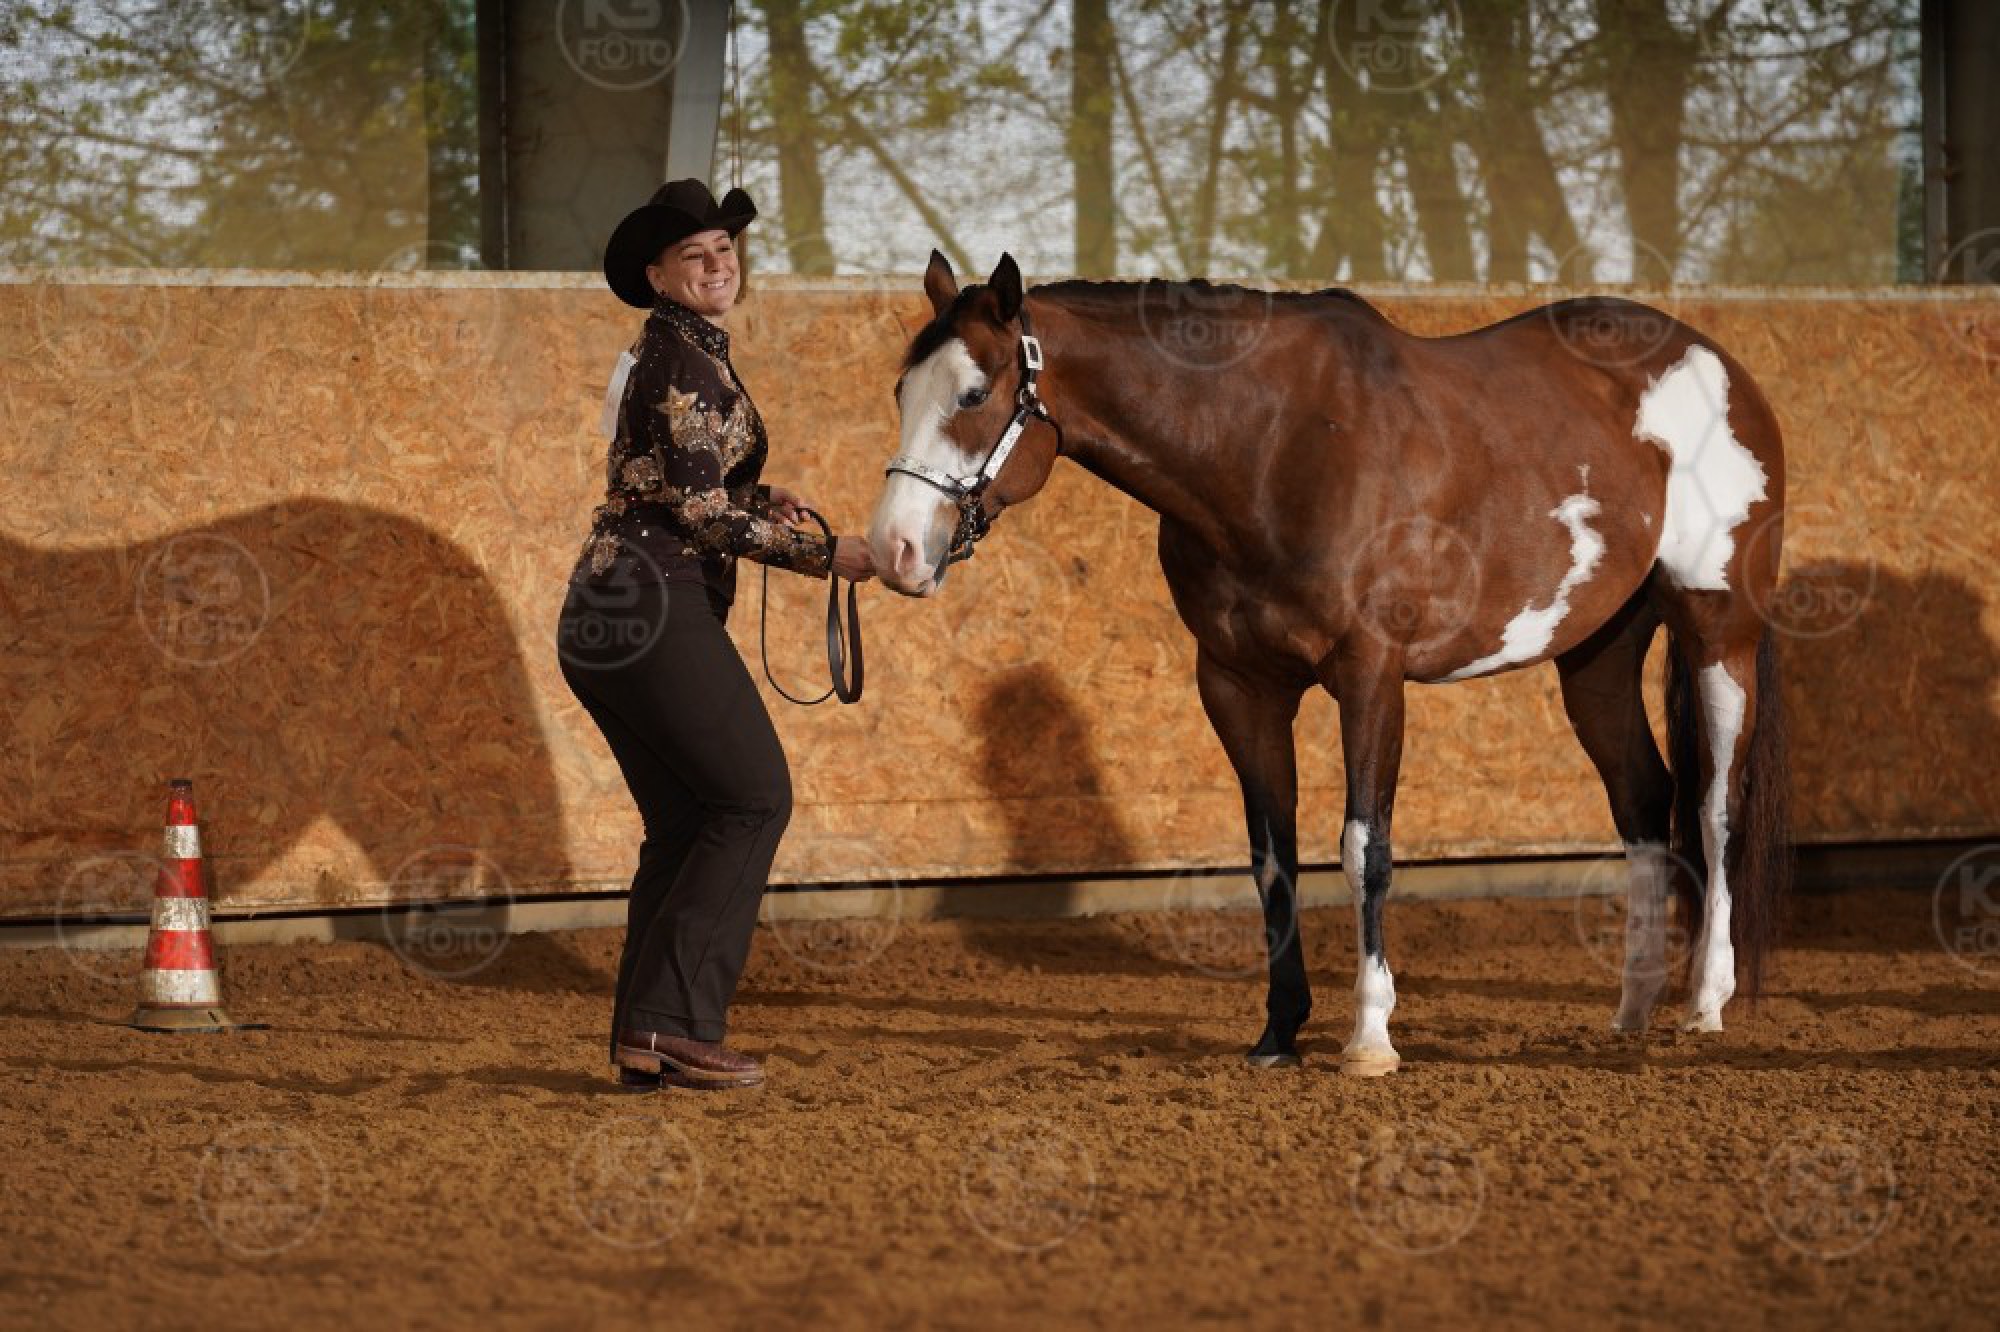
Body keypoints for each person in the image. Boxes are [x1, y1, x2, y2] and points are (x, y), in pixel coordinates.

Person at [556, 179, 875, 1091]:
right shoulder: (685, 360)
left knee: (686, 822)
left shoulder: (672, 352)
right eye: (693, 255)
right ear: (658, 276)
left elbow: (666, 480)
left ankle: (643, 1036)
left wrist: (754, 493)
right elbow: (698, 517)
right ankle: (674, 1024)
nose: (716, 265)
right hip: (655, 604)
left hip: (603, 614)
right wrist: (831, 555)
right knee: (753, 799)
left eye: (724, 250)